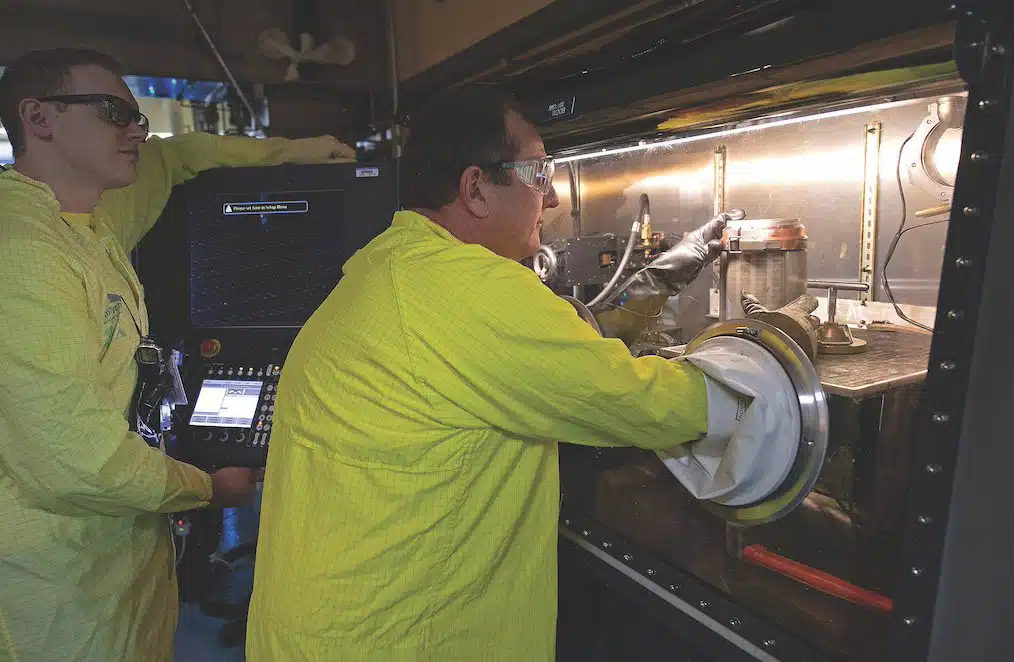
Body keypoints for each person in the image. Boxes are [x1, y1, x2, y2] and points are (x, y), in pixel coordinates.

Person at [246, 85, 805, 661]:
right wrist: (765, 369)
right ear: (475, 189)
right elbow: (642, 402)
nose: (555, 197)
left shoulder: (393, 269)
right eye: (539, 172)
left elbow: (567, 349)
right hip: (399, 639)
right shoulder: (469, 288)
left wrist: (658, 280)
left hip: (321, 628)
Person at [0, 48, 355, 662]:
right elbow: (77, 460)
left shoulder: (91, 216)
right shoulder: (22, 253)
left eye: (137, 114)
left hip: (124, 565)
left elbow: (180, 155)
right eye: (114, 112)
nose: (136, 128)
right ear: (39, 117)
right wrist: (206, 487)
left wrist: (297, 153)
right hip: (59, 589)